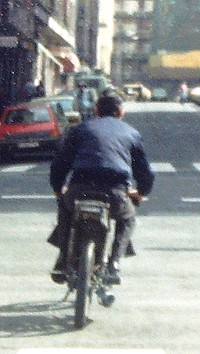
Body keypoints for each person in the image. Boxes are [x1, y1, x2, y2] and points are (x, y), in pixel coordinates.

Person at [48, 92, 155, 284]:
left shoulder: (80, 129)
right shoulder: (131, 133)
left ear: (96, 111)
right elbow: (145, 172)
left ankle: (64, 258)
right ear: (121, 112)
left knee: (65, 210)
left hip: (79, 189)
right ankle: (114, 263)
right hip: (115, 193)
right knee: (128, 219)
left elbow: (60, 164)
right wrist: (141, 193)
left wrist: (58, 189)